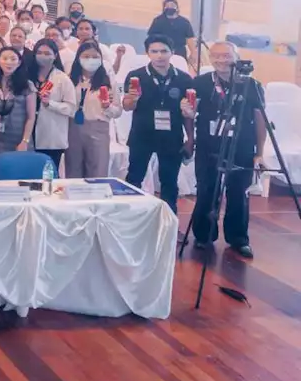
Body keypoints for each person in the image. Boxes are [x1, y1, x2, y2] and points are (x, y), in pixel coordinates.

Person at [185, 42, 267, 257]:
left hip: (241, 146)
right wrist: (190, 139)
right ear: (210, 59)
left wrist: (259, 152)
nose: (222, 60)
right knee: (206, 189)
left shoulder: (252, 85)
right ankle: (203, 235)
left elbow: (260, 120)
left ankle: (239, 238)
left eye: (226, 56)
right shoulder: (201, 82)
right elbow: (190, 114)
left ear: (236, 57)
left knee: (239, 192)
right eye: (216, 56)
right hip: (208, 144)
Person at [122, 35, 195, 213]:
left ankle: (169, 222)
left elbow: (188, 115)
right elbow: (127, 106)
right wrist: (132, 99)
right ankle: (131, 217)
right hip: (142, 135)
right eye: (154, 51)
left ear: (172, 53)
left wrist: (191, 139)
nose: (159, 56)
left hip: (171, 137)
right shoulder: (135, 76)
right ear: (148, 53)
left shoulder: (184, 79)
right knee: (134, 178)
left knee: (169, 181)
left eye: (164, 51)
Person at [64, 41, 120, 179]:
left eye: (95, 57)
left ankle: (96, 199)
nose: (91, 60)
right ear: (78, 58)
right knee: (73, 169)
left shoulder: (108, 82)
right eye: (86, 56)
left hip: (98, 128)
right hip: (73, 128)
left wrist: (107, 107)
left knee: (98, 170)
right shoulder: (69, 79)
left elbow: (118, 111)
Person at [0, 47, 37, 176]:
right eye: (5, 58)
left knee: (18, 173)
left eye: (13, 59)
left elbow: (31, 117)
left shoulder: (27, 85)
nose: (9, 62)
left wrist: (25, 141)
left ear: (19, 62)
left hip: (18, 137)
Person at [28, 38, 77, 173]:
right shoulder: (28, 76)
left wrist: (50, 104)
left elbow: (72, 109)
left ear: (55, 56)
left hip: (51, 137)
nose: (43, 56)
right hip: (28, 135)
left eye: (47, 53)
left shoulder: (62, 79)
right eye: (40, 52)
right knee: (29, 174)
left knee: (48, 176)